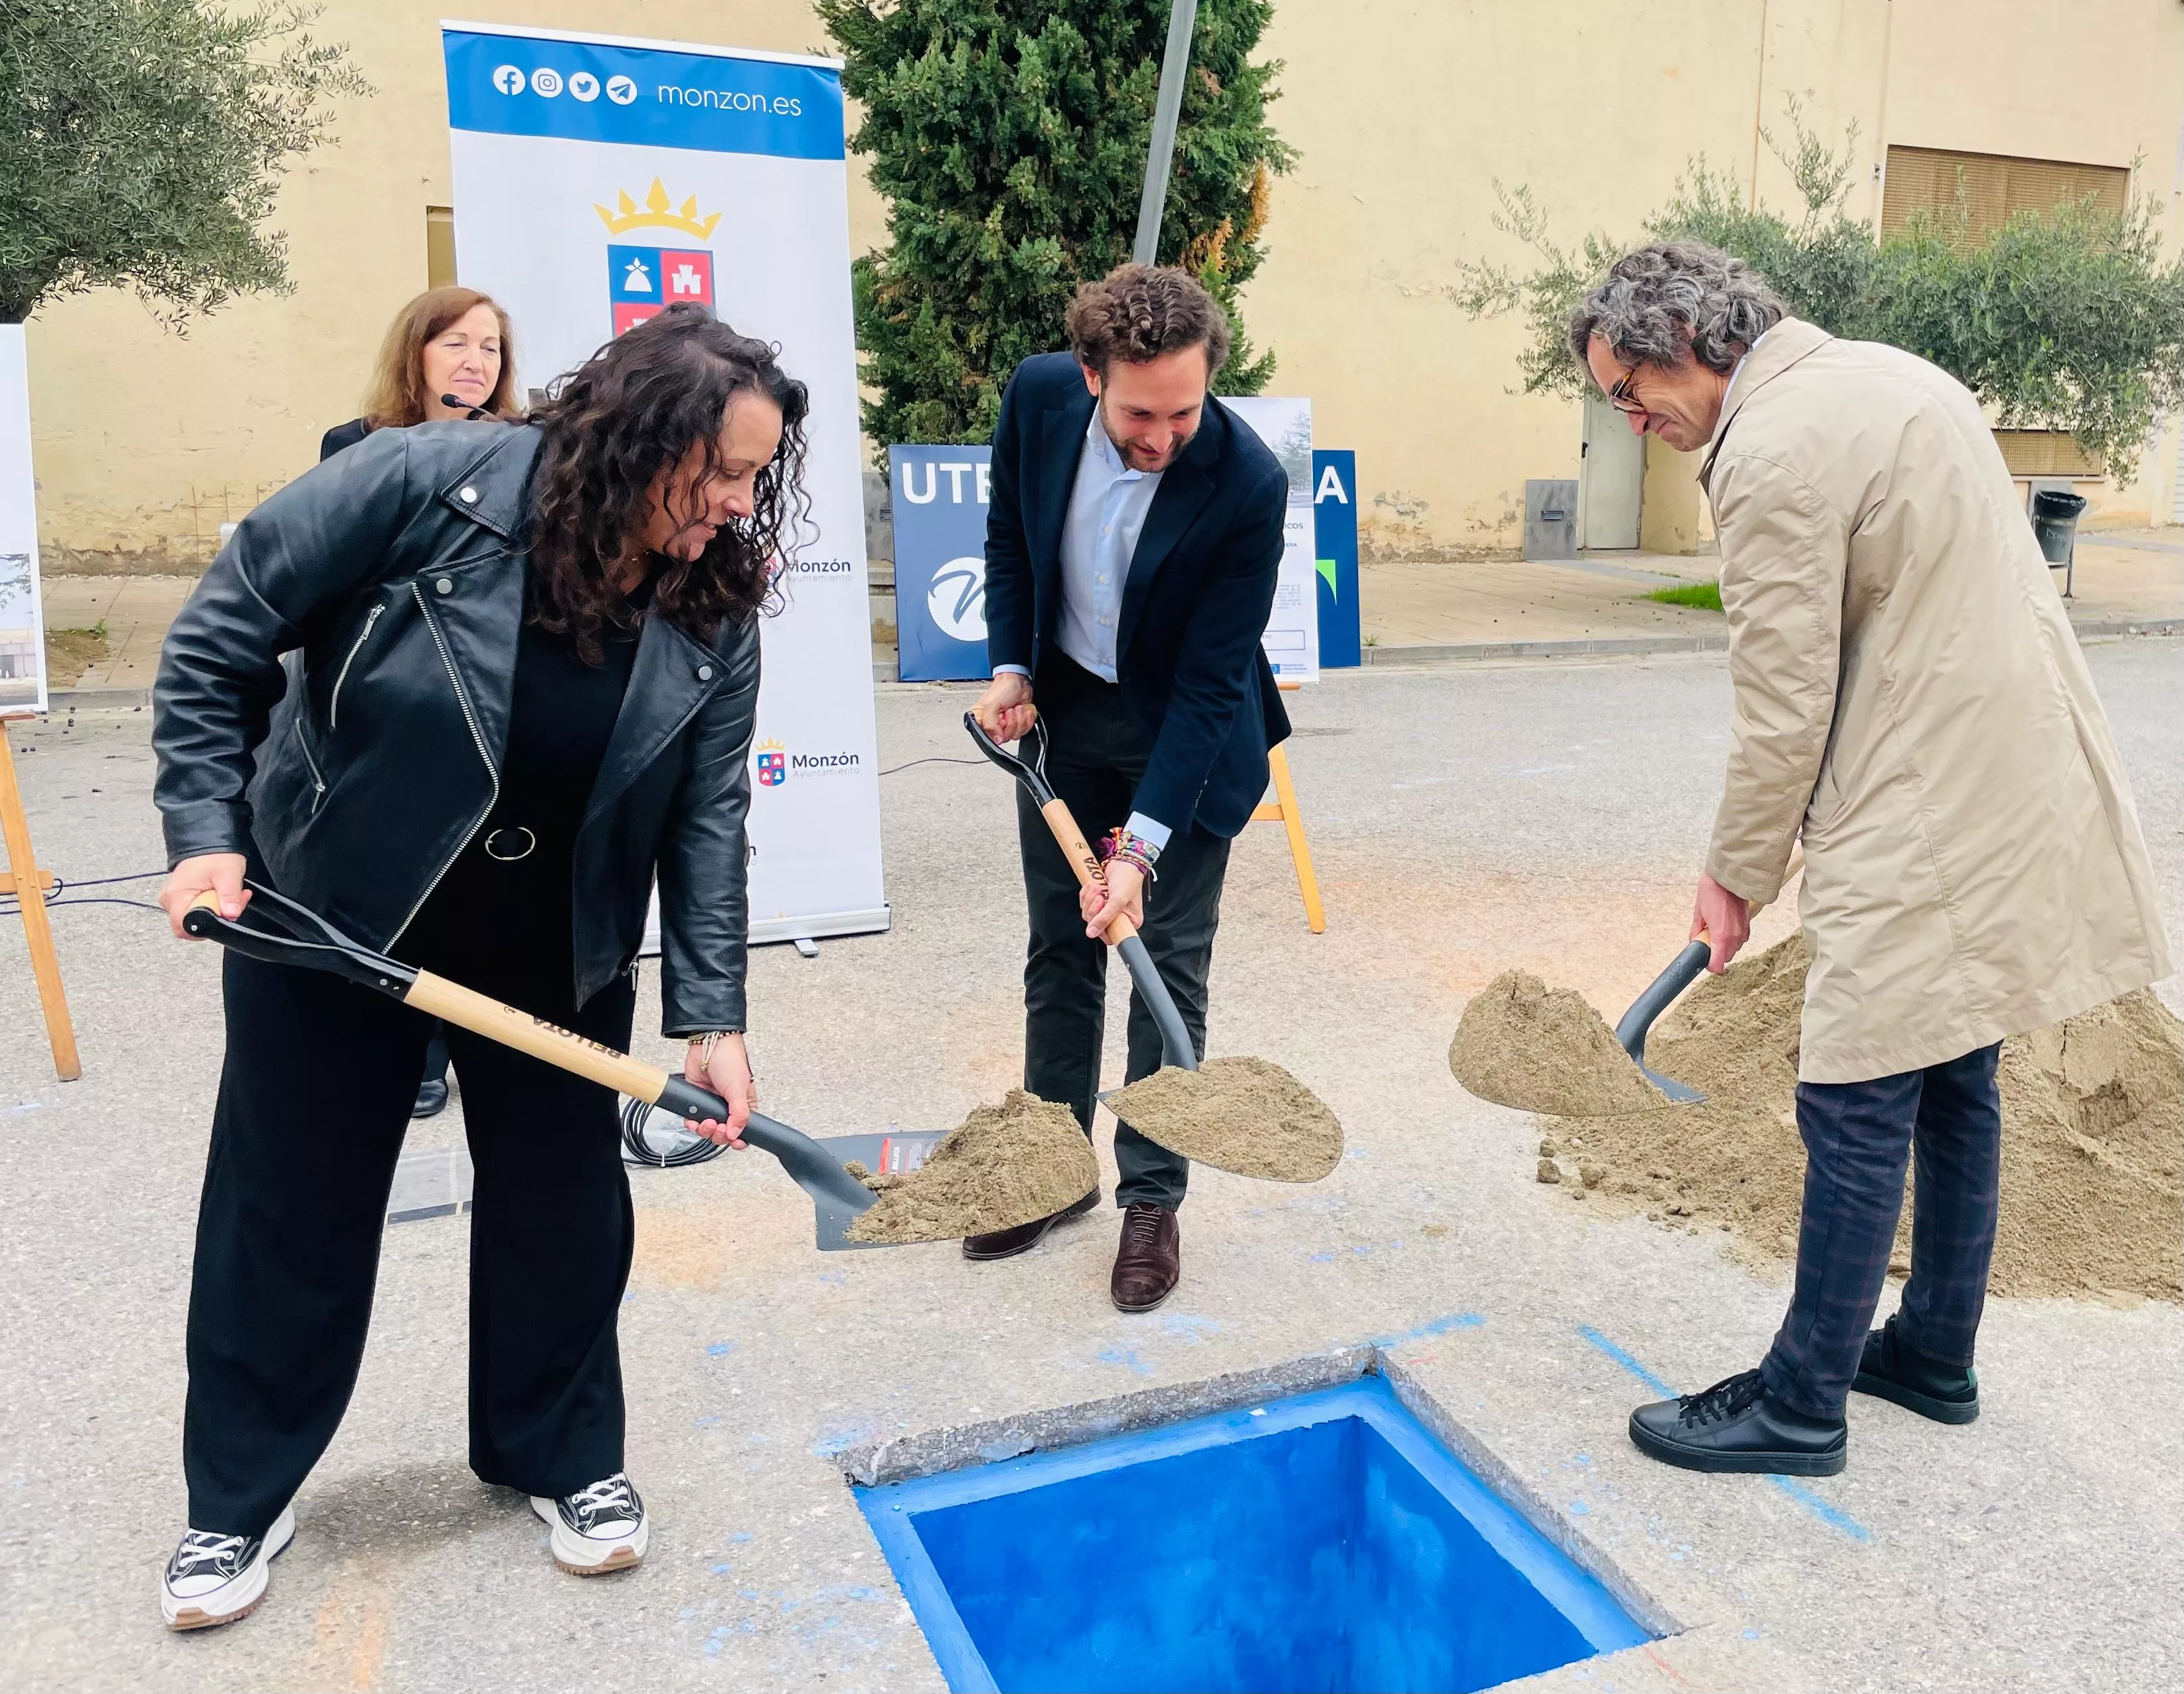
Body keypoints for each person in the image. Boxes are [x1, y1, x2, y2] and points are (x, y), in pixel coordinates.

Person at [150, 303, 794, 1628]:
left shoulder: (713, 599)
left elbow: (706, 814)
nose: (741, 504)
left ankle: (559, 1453)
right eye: (721, 473)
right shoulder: (413, 481)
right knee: (291, 1209)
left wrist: (713, 1015)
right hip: (337, 914)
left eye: (756, 476)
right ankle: (237, 1497)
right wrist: (207, 833)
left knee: (563, 1206)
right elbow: (222, 634)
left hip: (555, 942)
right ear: (639, 442)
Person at [1566, 240, 2171, 1477]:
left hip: (1921, 797)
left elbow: (1783, 699)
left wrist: (1733, 876)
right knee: (1955, 1070)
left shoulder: (1770, 449)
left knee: (1850, 1093)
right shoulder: (1892, 374)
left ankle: (1800, 1401)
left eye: (1629, 390)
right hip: (2014, 770)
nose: (1630, 420)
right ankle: (1932, 1352)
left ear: (1690, 343)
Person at [968, 263, 1290, 1313]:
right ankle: (1052, 1170)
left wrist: (1138, 850)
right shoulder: (1038, 397)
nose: (1162, 438)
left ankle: (1152, 1197)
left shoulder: (1246, 482)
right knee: (1061, 947)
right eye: (1140, 414)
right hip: (1063, 711)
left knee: (1161, 963)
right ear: (1090, 375)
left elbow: (1209, 685)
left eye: (1183, 412)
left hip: (1185, 736)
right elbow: (1010, 536)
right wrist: (1011, 666)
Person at [321, 285, 524, 1116]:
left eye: (490, 348)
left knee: (470, 883)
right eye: (456, 344)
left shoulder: (522, 448)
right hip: (390, 690)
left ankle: (466, 1042)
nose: (476, 362)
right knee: (397, 873)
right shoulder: (356, 445)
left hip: (485, 693)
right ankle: (410, 1049)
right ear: (416, 353)